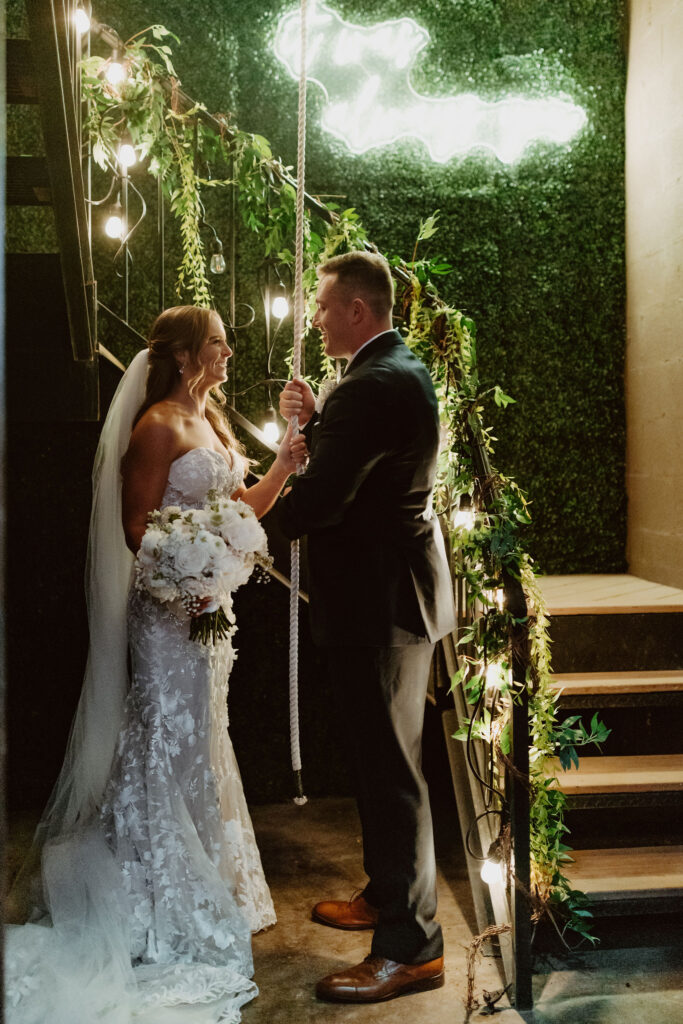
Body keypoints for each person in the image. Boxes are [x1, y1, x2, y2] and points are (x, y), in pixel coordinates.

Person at [6, 305, 305, 1023]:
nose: (229, 353)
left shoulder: (214, 424)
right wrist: (186, 575)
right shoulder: (156, 427)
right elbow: (135, 527)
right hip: (167, 616)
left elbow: (241, 512)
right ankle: (155, 885)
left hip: (210, 614)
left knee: (204, 740)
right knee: (165, 739)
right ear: (183, 355)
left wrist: (286, 466)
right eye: (217, 343)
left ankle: (206, 872)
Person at [277, 250, 457, 1004]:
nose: (314, 319)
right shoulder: (386, 375)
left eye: (321, 306)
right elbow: (365, 470)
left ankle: (411, 947)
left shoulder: (373, 385)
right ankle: (387, 894)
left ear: (357, 309)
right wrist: (319, 422)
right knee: (379, 763)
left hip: (380, 604)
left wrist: (234, 534)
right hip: (389, 596)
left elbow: (320, 502)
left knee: (390, 778)